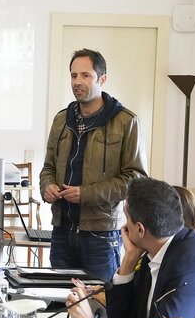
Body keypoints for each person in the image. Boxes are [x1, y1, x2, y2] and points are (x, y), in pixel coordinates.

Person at [65, 177, 195, 318]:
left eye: (127, 218)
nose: (124, 226)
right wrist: (129, 260)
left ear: (140, 229)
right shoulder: (154, 248)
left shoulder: (192, 263)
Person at [39, 48, 148, 281]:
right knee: (59, 302)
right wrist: (46, 185)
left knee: (100, 304)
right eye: (73, 75)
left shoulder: (126, 122)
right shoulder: (61, 119)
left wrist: (86, 194)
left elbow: (136, 179)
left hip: (101, 235)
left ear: (102, 79)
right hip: (61, 231)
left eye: (85, 75)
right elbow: (48, 167)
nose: (78, 82)